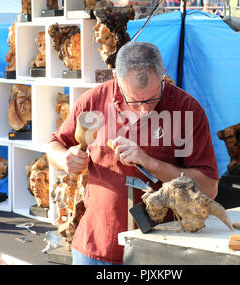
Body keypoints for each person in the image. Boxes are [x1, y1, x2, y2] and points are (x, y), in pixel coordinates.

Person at [48, 41, 219, 265]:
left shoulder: (187, 110)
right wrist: (65, 158)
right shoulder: (94, 101)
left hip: (161, 249)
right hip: (97, 246)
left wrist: (149, 162)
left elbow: (209, 188)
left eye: (152, 98)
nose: (145, 109)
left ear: (163, 74)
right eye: (135, 101)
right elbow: (54, 145)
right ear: (116, 78)